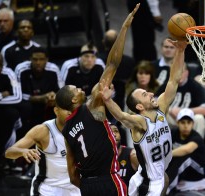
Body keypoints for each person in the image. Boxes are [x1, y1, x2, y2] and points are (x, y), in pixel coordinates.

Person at [56, 4, 140, 196]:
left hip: (87, 185)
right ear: (74, 100)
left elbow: (72, 175)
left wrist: (87, 187)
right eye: (76, 89)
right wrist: (124, 28)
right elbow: (112, 63)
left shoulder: (66, 129)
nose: (80, 88)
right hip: (109, 179)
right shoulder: (91, 106)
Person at [100, 38, 188, 196]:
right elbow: (121, 116)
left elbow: (174, 80)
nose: (152, 94)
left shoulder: (161, 107)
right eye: (145, 95)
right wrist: (107, 100)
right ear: (140, 106)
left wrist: (180, 51)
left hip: (156, 176)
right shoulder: (141, 122)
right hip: (147, 179)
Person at [5, 106, 81, 196]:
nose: (70, 112)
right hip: (48, 189)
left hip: (76, 188)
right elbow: (9, 152)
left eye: (73, 108)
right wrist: (23, 151)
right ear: (56, 110)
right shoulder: (43, 130)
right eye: (66, 108)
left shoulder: (83, 127)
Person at [156, 64, 205, 138]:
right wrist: (170, 110)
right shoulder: (166, 86)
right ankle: (162, 145)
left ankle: (196, 145)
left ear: (186, 73)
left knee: (200, 119)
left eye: (180, 72)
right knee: (158, 115)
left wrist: (183, 111)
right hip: (172, 118)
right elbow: (154, 104)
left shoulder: (196, 86)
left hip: (189, 119)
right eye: (175, 72)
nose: (178, 75)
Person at [0, 50, 22, 179]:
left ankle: (7, 158)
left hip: (1, 114)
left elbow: (18, 97)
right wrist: (1, 95)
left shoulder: (8, 73)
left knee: (13, 114)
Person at [14, 47, 60, 137]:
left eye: (41, 59)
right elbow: (17, 94)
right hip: (28, 102)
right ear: (30, 59)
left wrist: (54, 97)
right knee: (25, 107)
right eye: (35, 59)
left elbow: (61, 90)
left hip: (48, 102)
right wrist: (39, 98)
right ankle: (24, 137)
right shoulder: (21, 69)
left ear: (47, 60)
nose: (38, 62)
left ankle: (57, 137)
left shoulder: (53, 69)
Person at [166, 108, 205, 195]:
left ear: (193, 124)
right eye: (183, 122)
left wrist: (166, 155)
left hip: (197, 172)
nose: (186, 126)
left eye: (189, 123)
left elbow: (187, 149)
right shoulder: (173, 133)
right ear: (178, 123)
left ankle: (167, 188)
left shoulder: (196, 137)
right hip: (184, 171)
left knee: (183, 156)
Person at [109, 122, 139, 187]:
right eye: (110, 132)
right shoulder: (100, 159)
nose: (114, 134)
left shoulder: (133, 155)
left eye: (116, 131)